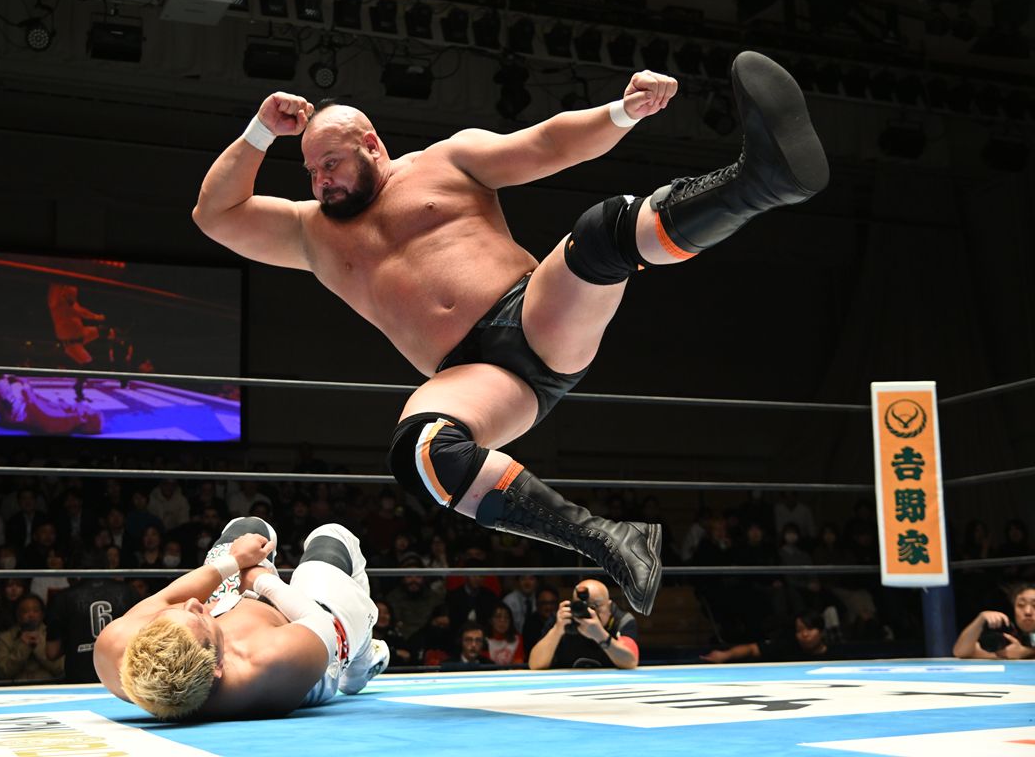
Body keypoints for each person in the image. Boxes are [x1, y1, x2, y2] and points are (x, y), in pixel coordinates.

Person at [192, 50, 828, 616]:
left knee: (602, 233)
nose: (321, 181)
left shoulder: (446, 160)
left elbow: (545, 144)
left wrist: (622, 111)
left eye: (330, 162)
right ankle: (609, 539)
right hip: (479, 378)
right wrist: (260, 133)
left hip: (534, 312)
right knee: (423, 452)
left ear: (371, 144)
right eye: (311, 171)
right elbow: (215, 214)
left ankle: (756, 181)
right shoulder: (309, 231)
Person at [94, 517, 388, 720]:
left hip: (235, 608)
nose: (194, 603)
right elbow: (318, 622)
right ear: (219, 666)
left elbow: (168, 599)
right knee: (331, 537)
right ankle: (360, 664)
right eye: (199, 616)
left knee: (248, 528)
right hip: (315, 642)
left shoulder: (116, 650)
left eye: (179, 612)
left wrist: (234, 561)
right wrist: (261, 580)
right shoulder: (268, 662)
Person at [45, 555, 142, 684]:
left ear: (74, 572)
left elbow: (52, 652)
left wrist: (75, 640)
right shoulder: (128, 592)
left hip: (80, 678)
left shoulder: (63, 598)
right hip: (121, 677)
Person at [528, 579, 639, 670]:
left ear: (609, 606)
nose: (590, 612)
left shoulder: (621, 620)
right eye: (583, 606)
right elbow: (535, 664)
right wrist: (557, 630)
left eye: (595, 606)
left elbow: (630, 662)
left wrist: (600, 635)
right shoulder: (562, 619)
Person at [0, 374, 103, 436]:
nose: (86, 406)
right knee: (11, 379)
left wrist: (26, 386)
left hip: (14, 411)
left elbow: (36, 408)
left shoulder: (63, 421)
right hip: (20, 405)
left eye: (88, 409)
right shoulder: (69, 417)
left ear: (84, 418)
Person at [701, 610, 836, 663]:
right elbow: (752, 649)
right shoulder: (786, 647)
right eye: (800, 630)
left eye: (810, 629)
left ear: (821, 632)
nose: (804, 634)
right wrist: (726, 655)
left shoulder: (836, 657)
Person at [952, 583, 1035, 660]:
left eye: (1034, 605)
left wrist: (1026, 652)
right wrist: (980, 619)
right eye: (1021, 605)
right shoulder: (1009, 637)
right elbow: (961, 652)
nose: (1027, 612)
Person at [0, 594, 64, 681]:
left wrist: (38, 646)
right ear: (17, 615)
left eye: (36, 611)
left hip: (47, 686)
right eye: (25, 611)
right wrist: (23, 647)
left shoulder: (54, 635)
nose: (31, 615)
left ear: (42, 614)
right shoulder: (4, 638)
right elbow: (3, 672)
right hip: (16, 687)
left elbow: (61, 668)